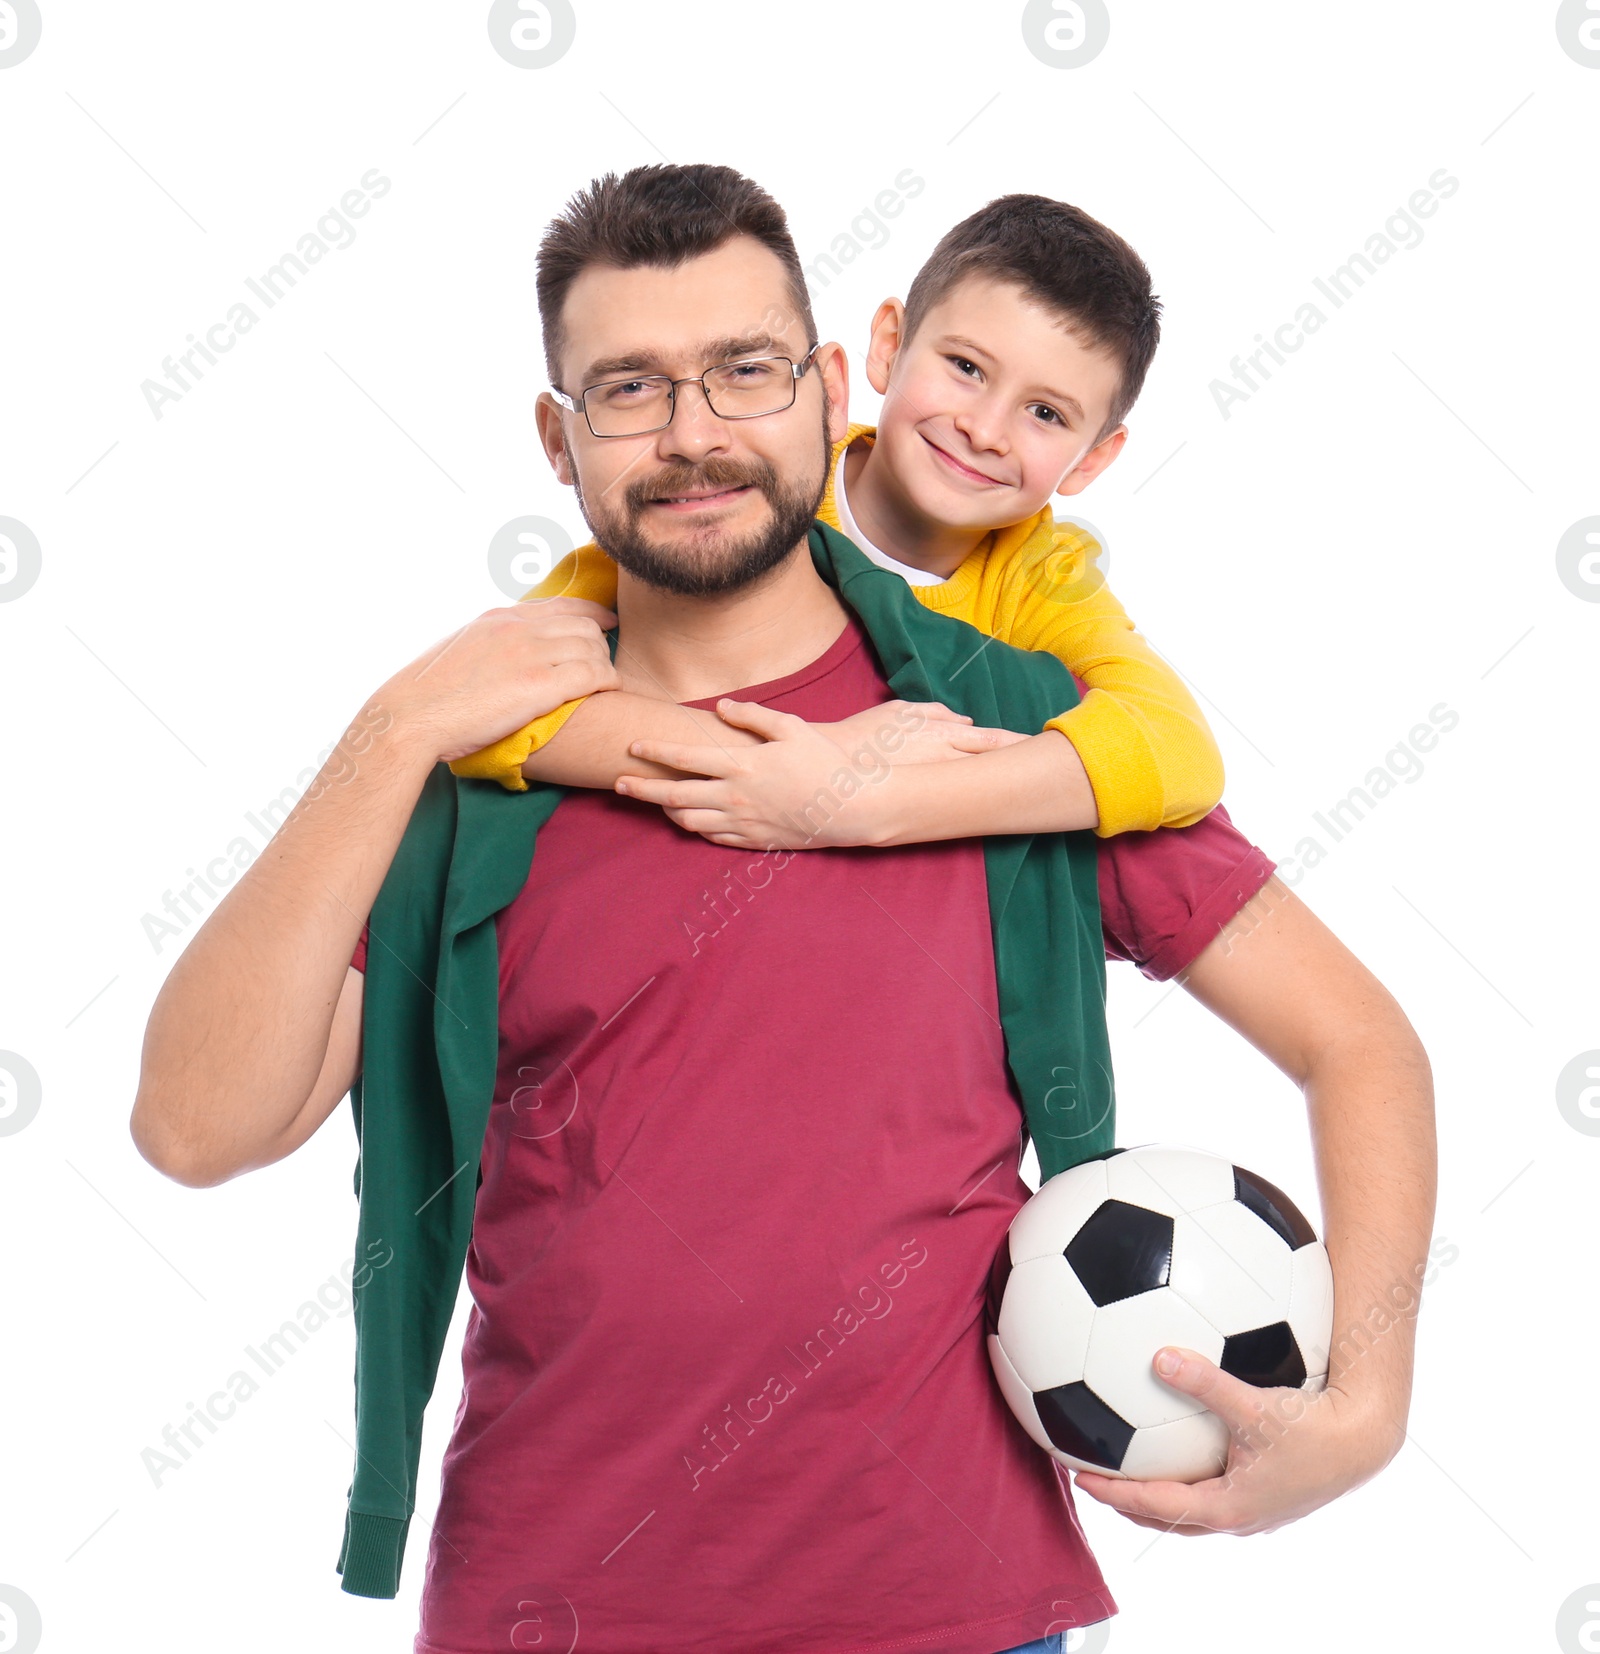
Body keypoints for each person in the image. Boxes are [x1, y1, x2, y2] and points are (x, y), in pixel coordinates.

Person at [130, 164, 1436, 1654]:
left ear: (825, 386)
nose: (694, 433)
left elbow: (1362, 1043)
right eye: (629, 388)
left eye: (743, 371)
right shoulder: (474, 772)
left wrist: (1369, 1409)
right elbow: (194, 1125)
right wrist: (386, 734)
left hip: (951, 1610)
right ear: (559, 442)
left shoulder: (1010, 748)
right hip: (550, 1605)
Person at [450, 189, 1223, 849]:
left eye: (1046, 413)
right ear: (888, 346)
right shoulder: (745, 493)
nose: (985, 430)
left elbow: (1177, 748)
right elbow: (492, 702)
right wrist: (778, 766)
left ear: (1092, 459)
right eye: (965, 367)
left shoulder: (1042, 579)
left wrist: (859, 802)